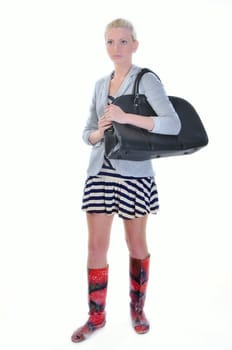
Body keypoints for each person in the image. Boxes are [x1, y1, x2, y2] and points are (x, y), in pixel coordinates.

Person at [71, 18, 181, 343]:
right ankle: (96, 316)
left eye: (122, 41)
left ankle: (137, 309)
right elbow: (86, 132)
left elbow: (172, 124)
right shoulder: (99, 84)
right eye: (110, 42)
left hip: (134, 173)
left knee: (135, 244)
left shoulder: (145, 80)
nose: (116, 48)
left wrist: (124, 117)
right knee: (95, 247)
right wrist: (97, 133)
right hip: (100, 172)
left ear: (135, 44)